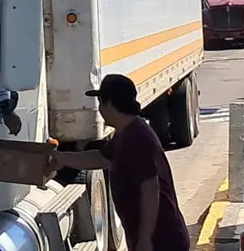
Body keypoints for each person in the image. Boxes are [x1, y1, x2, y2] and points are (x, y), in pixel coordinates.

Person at [48, 74, 189, 251]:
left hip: (162, 240)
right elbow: (100, 158)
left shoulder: (137, 138)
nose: (99, 109)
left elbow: (151, 189)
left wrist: (145, 240)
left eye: (100, 102)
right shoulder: (125, 134)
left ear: (110, 104)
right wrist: (64, 159)